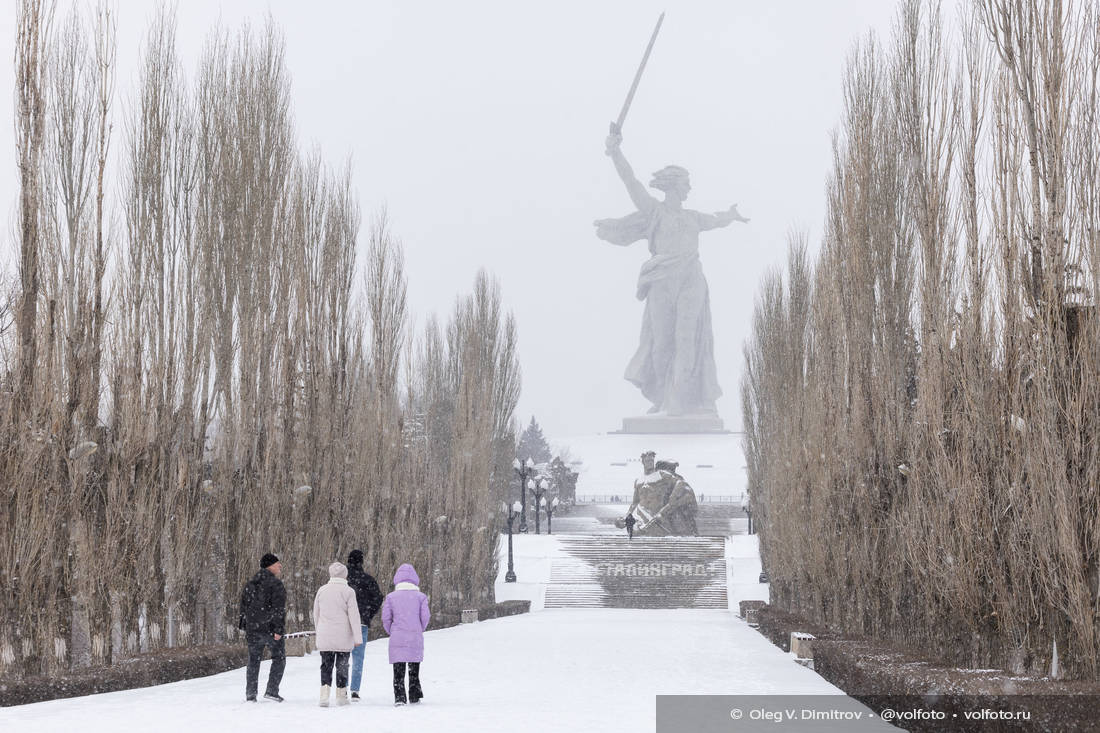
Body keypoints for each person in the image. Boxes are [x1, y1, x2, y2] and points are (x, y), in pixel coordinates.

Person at [594, 130, 748, 416]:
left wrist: (730, 215)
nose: (689, 189)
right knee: (661, 343)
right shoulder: (655, 212)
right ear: (675, 186)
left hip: (691, 278)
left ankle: (678, 400)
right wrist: (616, 152)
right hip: (661, 281)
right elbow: (631, 182)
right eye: (686, 183)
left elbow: (715, 221)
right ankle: (665, 396)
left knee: (687, 338)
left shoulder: (692, 218)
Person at [313, 561, 363, 707]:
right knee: (342, 665)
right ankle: (341, 696)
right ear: (345, 575)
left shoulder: (322, 590)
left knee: (326, 665)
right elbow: (354, 616)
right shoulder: (348, 591)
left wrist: (319, 630)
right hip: (343, 635)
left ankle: (324, 695)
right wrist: (357, 637)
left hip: (325, 634)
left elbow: (316, 613)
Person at [238, 552, 286, 702]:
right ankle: (272, 690)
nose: (280, 566)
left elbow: (243, 607)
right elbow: (278, 609)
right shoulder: (276, 584)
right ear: (270, 565)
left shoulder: (250, 584)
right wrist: (278, 629)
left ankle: (251, 693)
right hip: (270, 629)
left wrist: (244, 625)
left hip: (253, 629)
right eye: (277, 563)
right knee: (279, 658)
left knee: (253, 660)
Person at [381, 563, 431, 706]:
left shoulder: (391, 597)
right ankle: (414, 695)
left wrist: (392, 631)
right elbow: (426, 617)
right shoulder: (421, 597)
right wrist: (419, 628)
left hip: (397, 636)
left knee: (398, 669)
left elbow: (386, 618)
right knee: (414, 668)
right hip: (414, 636)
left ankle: (400, 697)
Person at [346, 549, 384, 701]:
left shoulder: (344, 580)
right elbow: (378, 598)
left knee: (343, 657)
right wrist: (368, 614)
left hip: (345, 623)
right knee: (358, 657)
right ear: (362, 561)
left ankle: (342, 687)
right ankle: (355, 690)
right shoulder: (368, 579)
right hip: (361, 622)